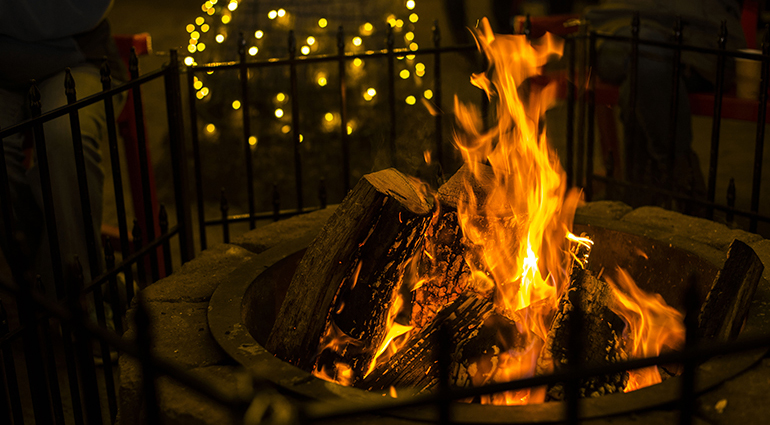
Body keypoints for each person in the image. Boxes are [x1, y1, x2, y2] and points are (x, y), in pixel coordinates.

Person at [0, 1, 127, 296]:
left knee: (63, 135)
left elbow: (82, 9)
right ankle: (52, 276)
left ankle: (75, 291)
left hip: (80, 61)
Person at [585, 0, 746, 212]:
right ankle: (684, 181)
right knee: (647, 53)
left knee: (643, 73)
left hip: (700, 32)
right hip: (623, 23)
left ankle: (641, 197)